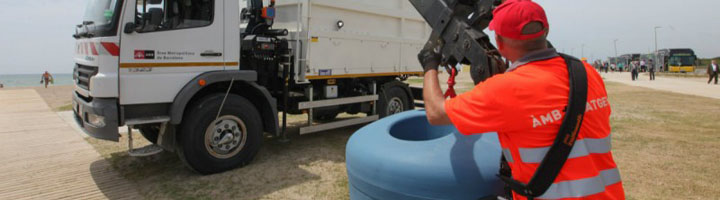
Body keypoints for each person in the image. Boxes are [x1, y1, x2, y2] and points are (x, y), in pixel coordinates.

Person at [417, 0, 625, 199]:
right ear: (546, 30)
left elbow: (436, 113)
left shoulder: (506, 90)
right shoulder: (586, 73)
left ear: (498, 41)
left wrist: (430, 64)